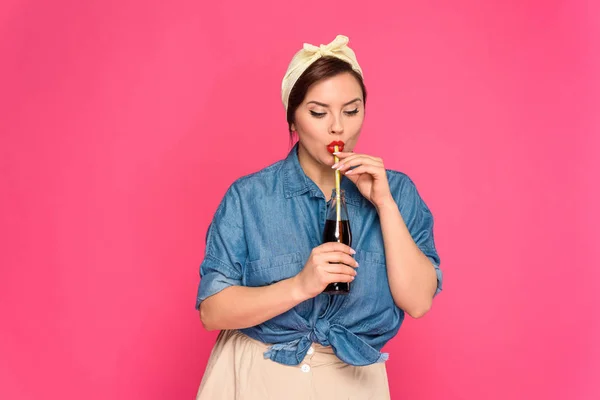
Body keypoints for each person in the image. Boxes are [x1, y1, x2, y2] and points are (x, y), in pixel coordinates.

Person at [194, 34, 443, 399]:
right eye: (318, 112)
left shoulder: (398, 191)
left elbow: (419, 301)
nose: (337, 127)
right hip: (258, 376)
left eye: (351, 110)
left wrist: (385, 205)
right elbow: (212, 312)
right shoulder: (249, 197)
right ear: (292, 119)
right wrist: (300, 285)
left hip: (354, 383)